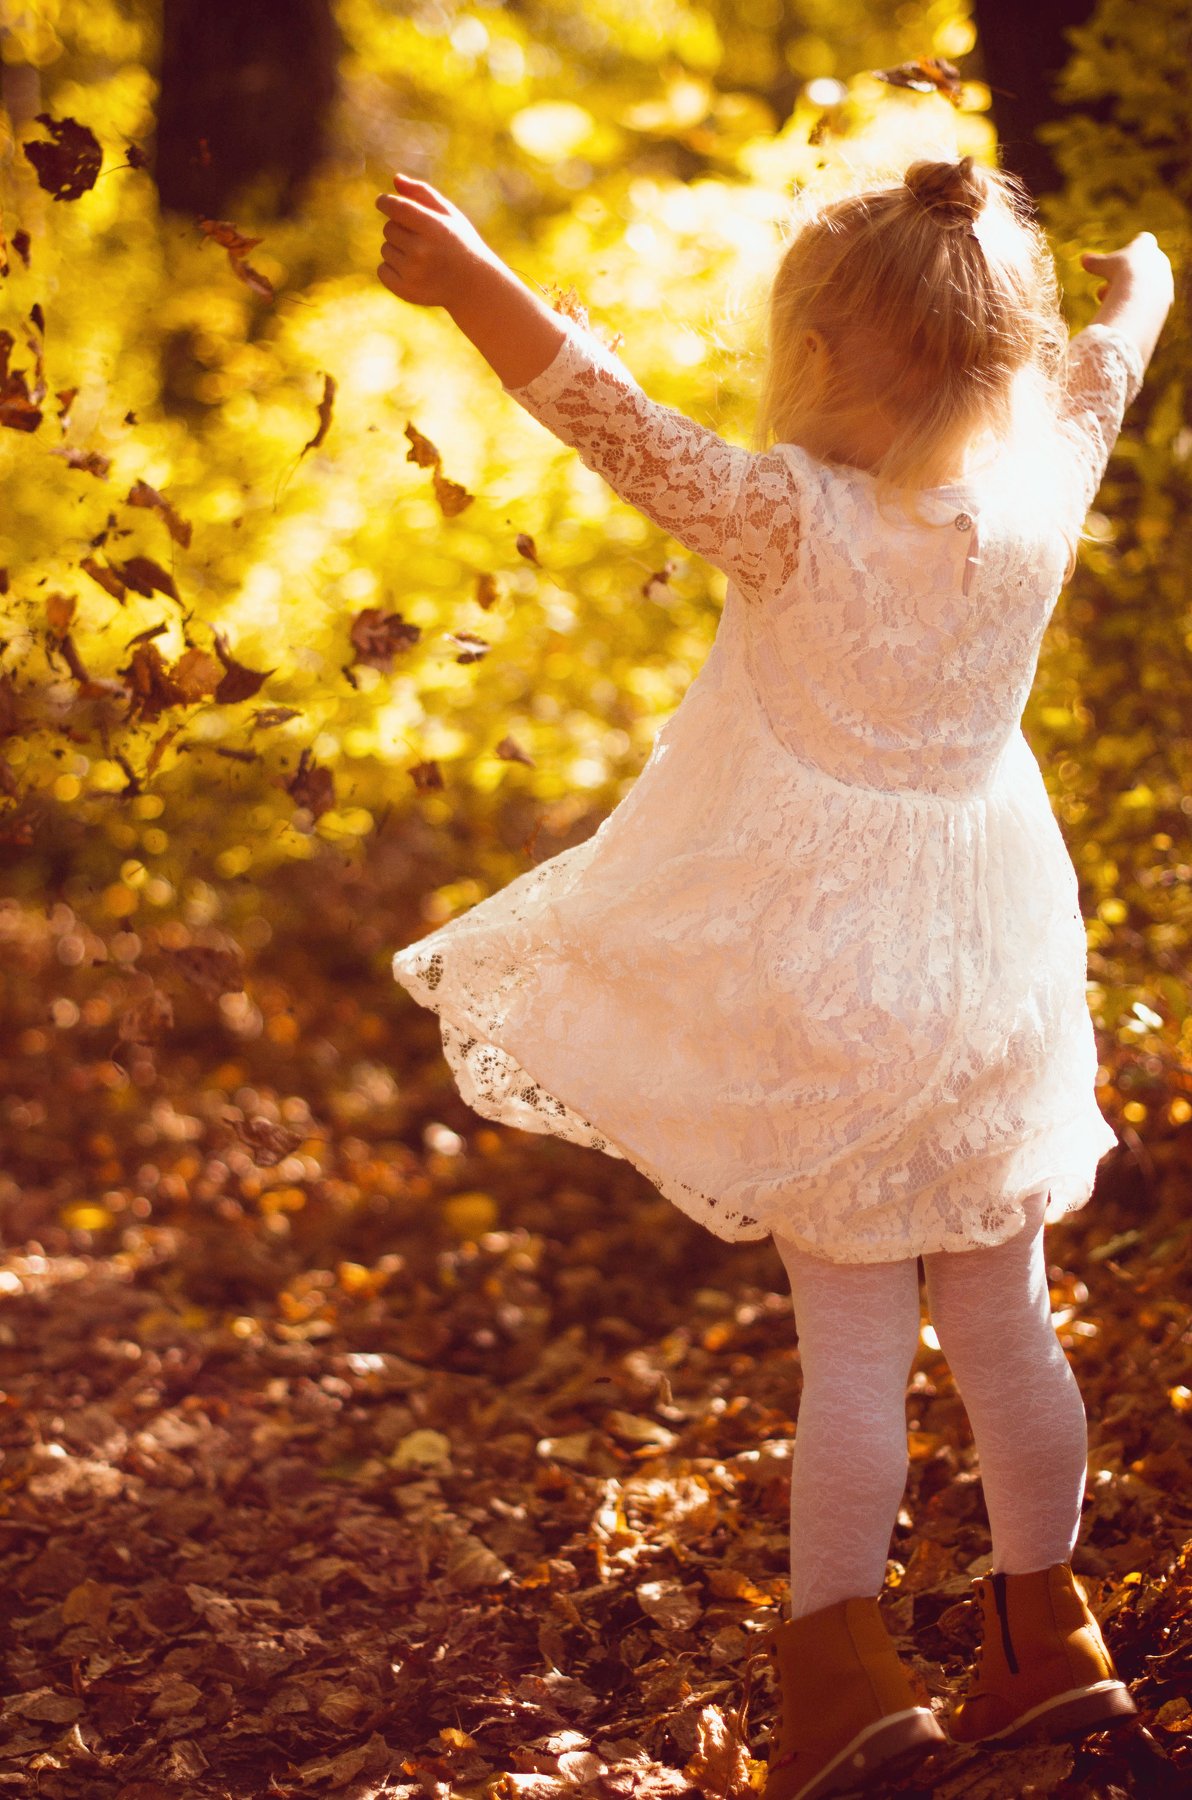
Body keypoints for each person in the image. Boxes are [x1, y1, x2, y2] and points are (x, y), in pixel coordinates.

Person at [376, 156, 1173, 1800]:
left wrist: (471, 283)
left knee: (856, 1350)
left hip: (834, 988)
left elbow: (609, 419)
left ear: (813, 351)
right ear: (1001, 359)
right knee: (1011, 1328)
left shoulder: (792, 519)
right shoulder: (1040, 498)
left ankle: (846, 1678)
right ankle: (1050, 1642)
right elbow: (1109, 371)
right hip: (1001, 970)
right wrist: (1144, 285)